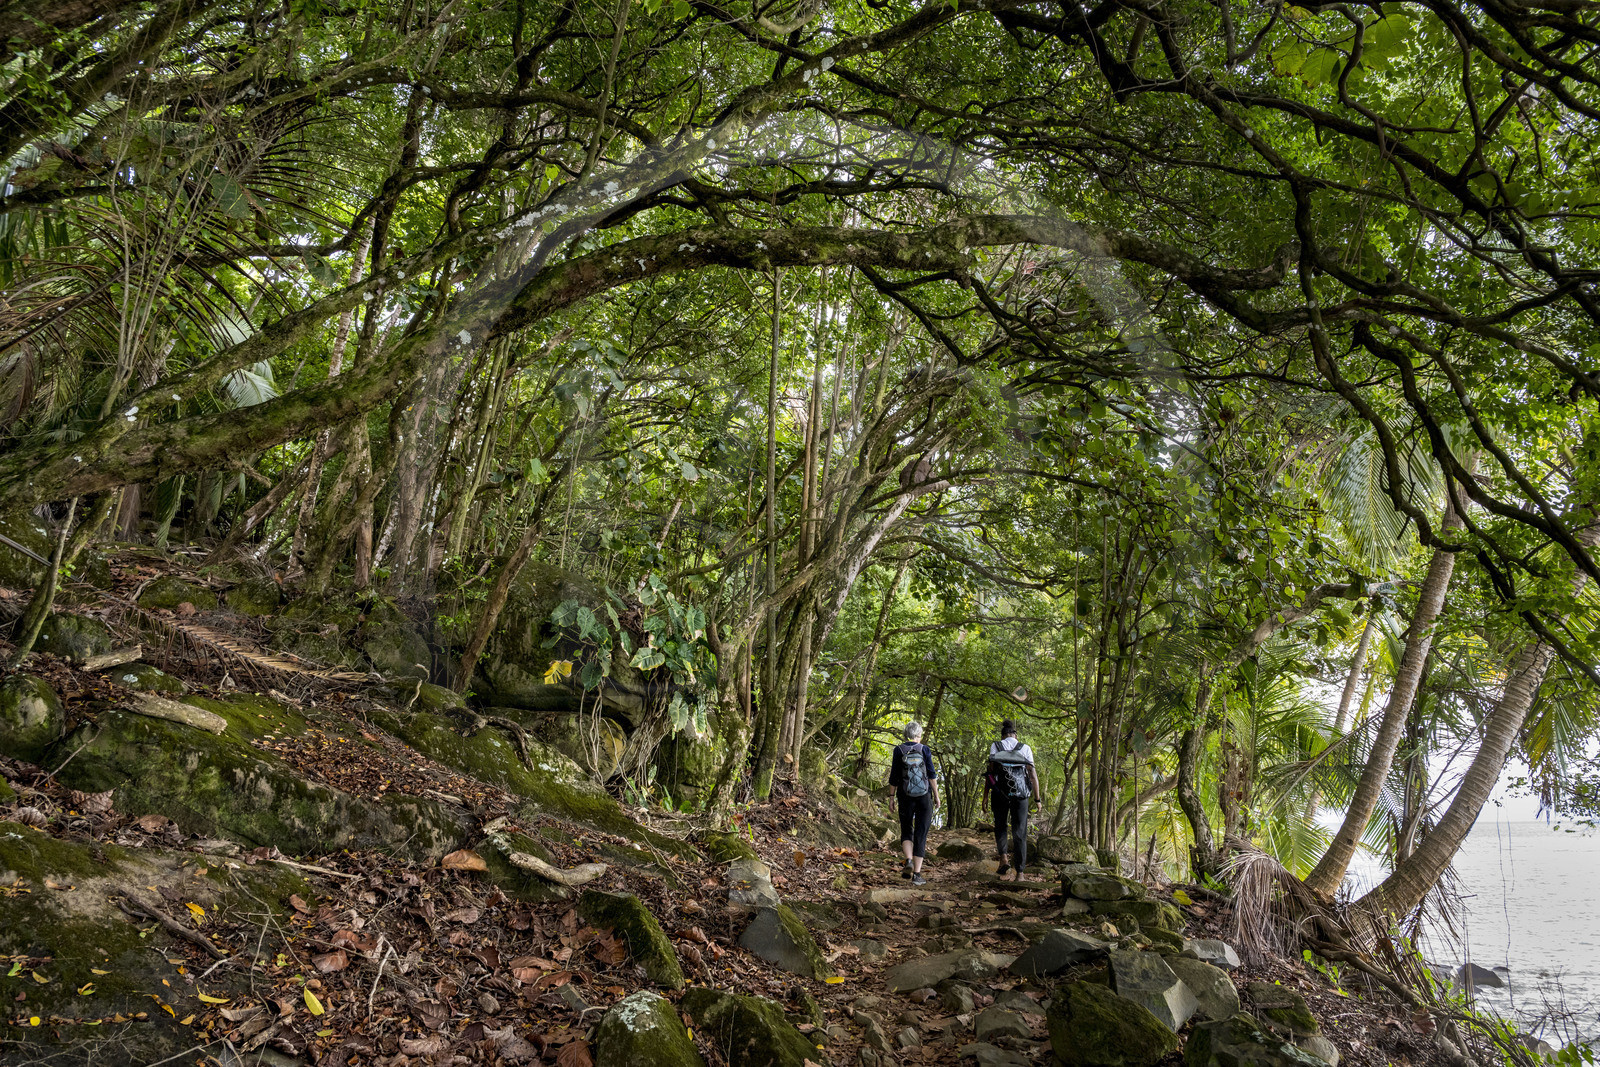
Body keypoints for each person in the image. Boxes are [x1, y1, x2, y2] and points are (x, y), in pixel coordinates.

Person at [985, 719, 1041, 882]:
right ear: (1015, 735)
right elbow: (1032, 775)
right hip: (1020, 794)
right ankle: (1020, 873)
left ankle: (1003, 859)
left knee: (1000, 826)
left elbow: (990, 773)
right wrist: (1037, 799)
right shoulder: (1025, 748)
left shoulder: (996, 746)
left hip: (1000, 793)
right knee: (1020, 831)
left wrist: (985, 796)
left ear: (1003, 736)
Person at [888, 720, 940, 886]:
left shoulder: (898, 750)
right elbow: (931, 775)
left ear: (906, 735)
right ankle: (917, 875)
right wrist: (936, 796)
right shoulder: (924, 749)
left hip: (905, 795)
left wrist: (891, 797)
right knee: (921, 832)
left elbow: (894, 776)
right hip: (924, 796)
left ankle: (908, 860)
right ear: (918, 735)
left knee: (906, 829)